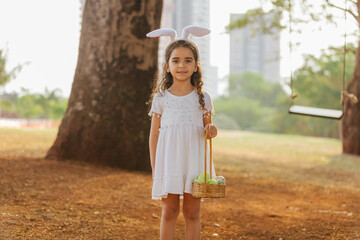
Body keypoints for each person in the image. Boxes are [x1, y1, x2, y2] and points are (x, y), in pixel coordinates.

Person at [147, 26, 218, 240]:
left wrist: (211, 131)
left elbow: (208, 131)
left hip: (194, 163)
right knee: (169, 211)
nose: (182, 65)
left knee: (192, 212)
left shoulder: (203, 98)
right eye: (176, 60)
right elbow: (154, 136)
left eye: (188, 60)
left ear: (196, 66)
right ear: (167, 66)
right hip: (168, 163)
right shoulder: (161, 99)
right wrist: (155, 168)